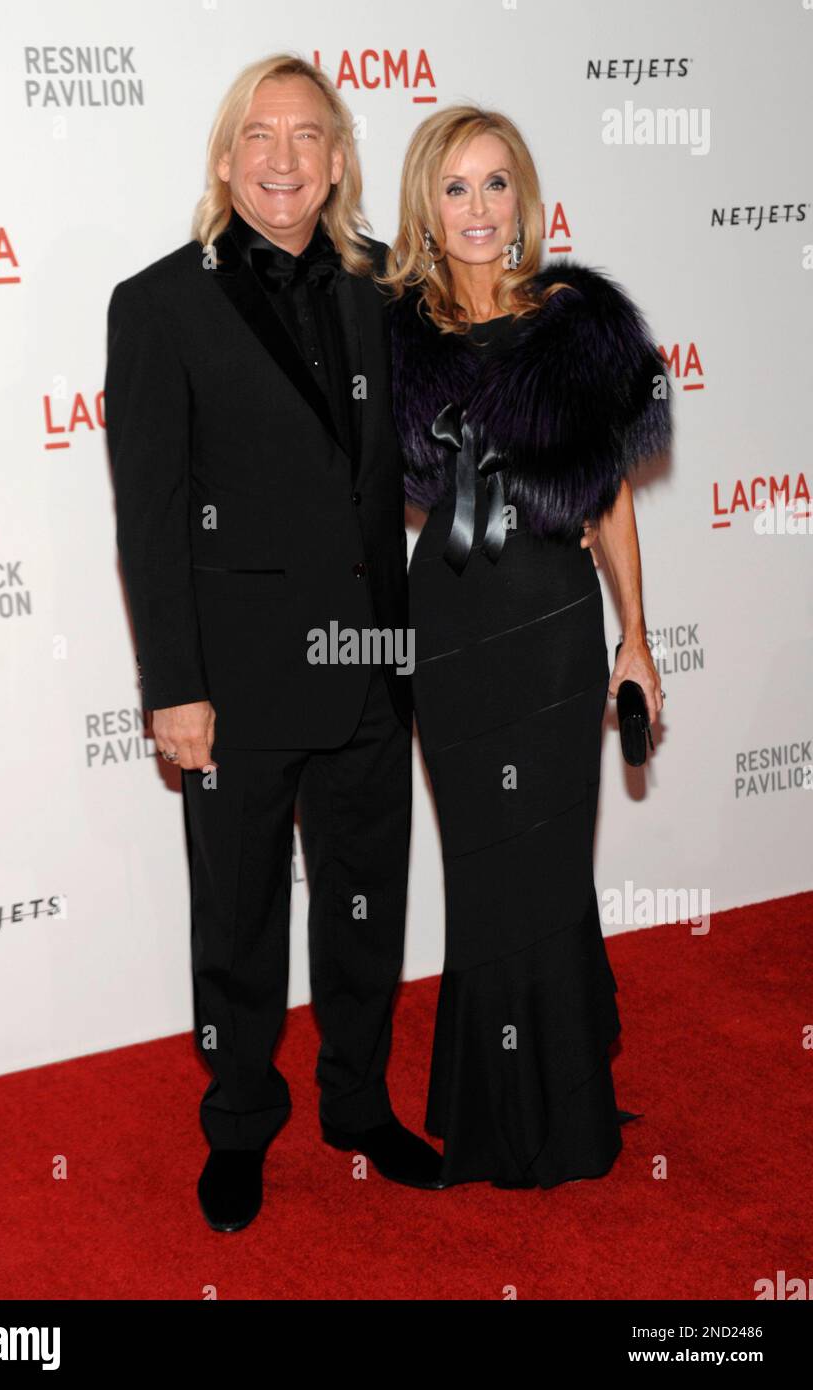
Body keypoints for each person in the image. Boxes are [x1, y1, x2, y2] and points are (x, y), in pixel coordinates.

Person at [104, 54, 443, 1233]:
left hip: (368, 669)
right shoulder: (157, 303)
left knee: (365, 905)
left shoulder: (380, 298)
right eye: (261, 134)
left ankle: (356, 1103)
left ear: (340, 161)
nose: (284, 157)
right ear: (225, 158)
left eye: (309, 135)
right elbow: (149, 517)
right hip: (236, 685)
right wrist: (175, 689)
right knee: (238, 919)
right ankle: (239, 1121)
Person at [383, 106, 671, 1188]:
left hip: (551, 621)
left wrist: (636, 636)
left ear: (524, 198)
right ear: (427, 203)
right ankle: (492, 1110)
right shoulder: (395, 335)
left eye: (495, 184)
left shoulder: (574, 326)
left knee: (547, 857)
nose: (476, 209)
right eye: (453, 187)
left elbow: (609, 505)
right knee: (481, 867)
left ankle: (563, 1111)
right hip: (449, 632)